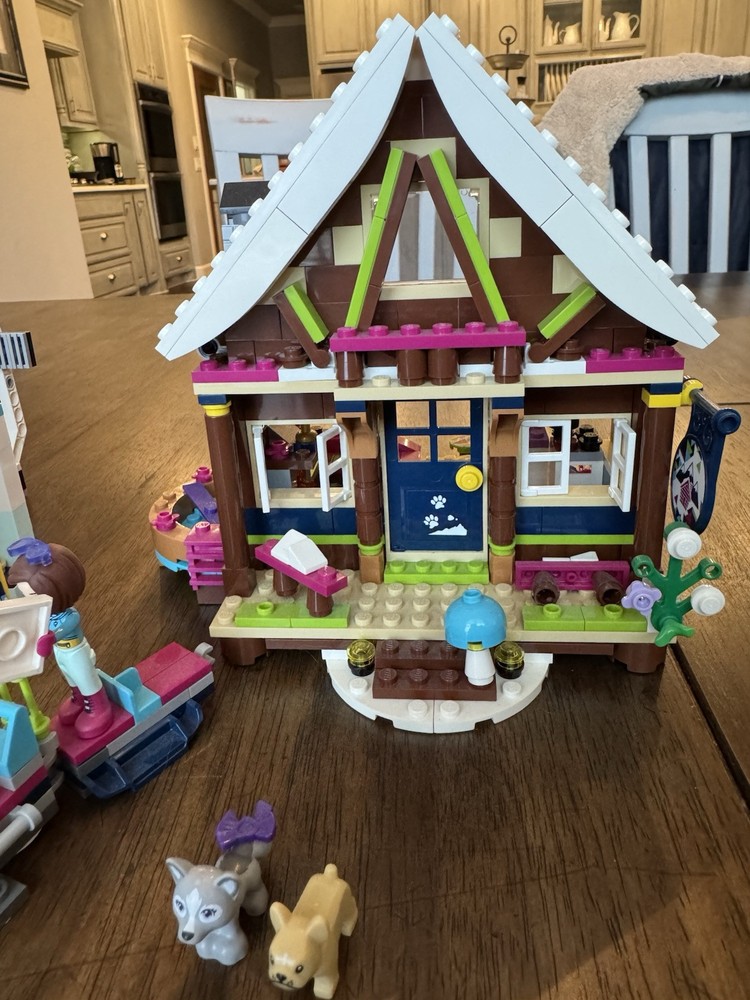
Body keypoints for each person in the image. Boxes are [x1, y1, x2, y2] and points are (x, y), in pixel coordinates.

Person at [7, 538, 113, 740]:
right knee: (70, 676)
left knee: (85, 677)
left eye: (32, 594)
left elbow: (66, 627)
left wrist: (52, 636)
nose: (28, 599)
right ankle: (79, 699)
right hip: (61, 652)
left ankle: (98, 707)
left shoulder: (69, 616)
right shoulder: (46, 615)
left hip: (76, 651)